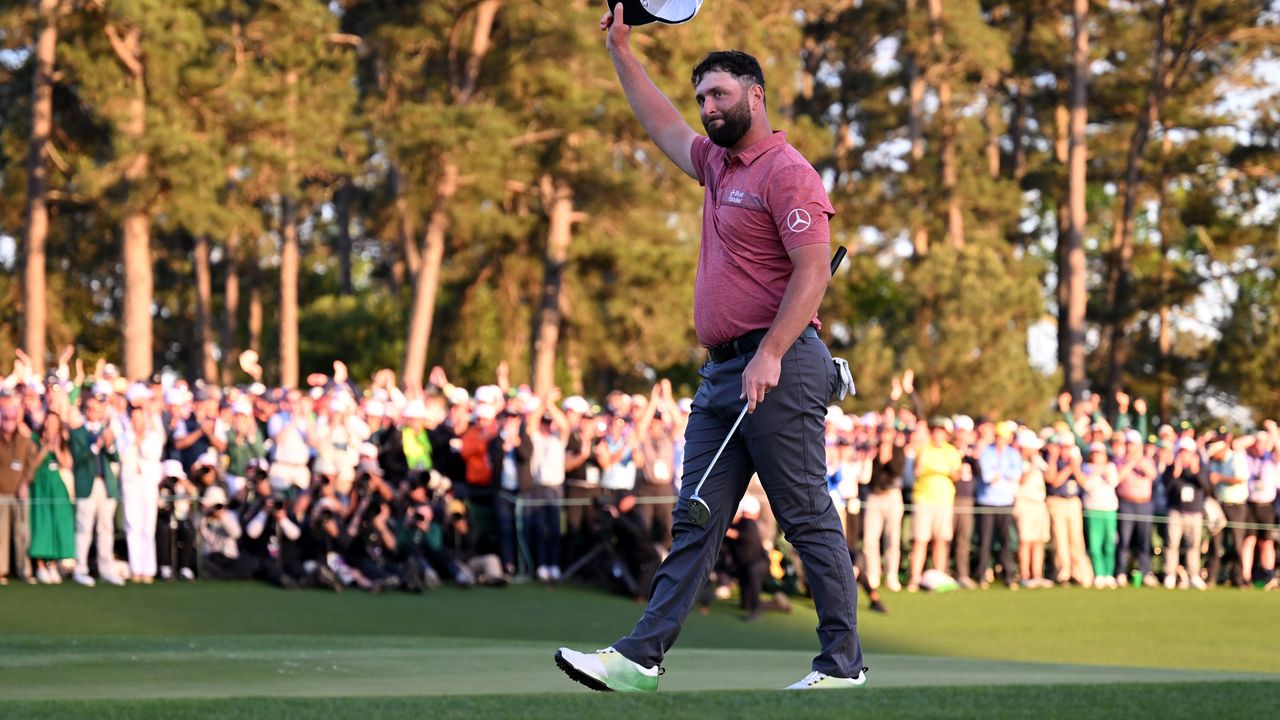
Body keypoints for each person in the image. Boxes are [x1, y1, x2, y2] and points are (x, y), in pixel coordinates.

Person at [557, 14, 865, 693]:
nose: (707, 108)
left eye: (719, 94)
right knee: (694, 515)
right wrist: (620, 49)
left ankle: (842, 666)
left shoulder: (788, 172)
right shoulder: (715, 164)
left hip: (778, 367)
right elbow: (659, 121)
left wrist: (772, 352)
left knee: (805, 515)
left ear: (755, 94)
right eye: (702, 98)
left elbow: (812, 272)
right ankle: (641, 659)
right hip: (725, 370)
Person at [68, 393, 125, 586]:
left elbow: (115, 457)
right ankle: (80, 568)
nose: (94, 412)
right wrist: (98, 444)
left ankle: (106, 568)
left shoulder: (107, 431)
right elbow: (79, 458)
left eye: (97, 409)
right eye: (90, 408)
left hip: (106, 484)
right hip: (87, 484)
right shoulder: (78, 433)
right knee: (84, 527)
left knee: (106, 528)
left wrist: (108, 444)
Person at [906, 417, 961, 592]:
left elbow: (957, 475)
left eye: (941, 431)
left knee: (941, 540)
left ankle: (939, 577)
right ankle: (915, 578)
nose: (938, 434)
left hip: (944, 500)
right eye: (935, 430)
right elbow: (917, 471)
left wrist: (947, 471)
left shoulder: (951, 451)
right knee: (920, 540)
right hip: (924, 499)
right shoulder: (924, 449)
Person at [27, 412, 76, 584]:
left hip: (57, 486)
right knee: (41, 524)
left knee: (57, 523)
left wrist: (56, 448)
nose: (51, 425)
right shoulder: (35, 439)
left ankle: (53, 564)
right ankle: (40, 565)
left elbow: (67, 464)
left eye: (55, 422)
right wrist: (46, 447)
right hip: (41, 485)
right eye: (49, 421)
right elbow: (32, 463)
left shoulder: (62, 442)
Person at [976, 421, 1021, 589]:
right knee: (985, 541)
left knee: (1005, 541)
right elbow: (987, 476)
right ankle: (981, 575)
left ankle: (1008, 576)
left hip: (1005, 502)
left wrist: (999, 473)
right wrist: (1002, 474)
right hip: (987, 501)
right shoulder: (986, 452)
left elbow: (1015, 474)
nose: (1001, 440)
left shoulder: (1013, 454)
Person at [1163, 437, 1210, 589]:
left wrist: (1195, 472)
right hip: (1176, 511)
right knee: (1172, 544)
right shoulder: (1172, 469)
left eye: (1187, 452)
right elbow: (1167, 488)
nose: (1184, 455)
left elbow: (1206, 487)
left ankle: (1194, 575)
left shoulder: (1200, 468)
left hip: (1194, 513)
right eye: (1181, 452)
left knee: (1194, 546)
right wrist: (1175, 472)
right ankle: (1170, 575)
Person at [0, 399, 38, 584]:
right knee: (1, 533)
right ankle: (1, 571)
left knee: (22, 533)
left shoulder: (24, 440)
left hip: (19, 493)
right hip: (1, 493)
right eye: (5, 417)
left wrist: (25, 482)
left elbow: (30, 466)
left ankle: (24, 569)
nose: (8, 420)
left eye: (12, 417)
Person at [1012, 429, 1051, 588]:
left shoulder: (1038, 461)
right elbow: (1020, 481)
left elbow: (1050, 476)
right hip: (1025, 504)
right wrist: (1031, 467)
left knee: (1039, 541)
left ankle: (1037, 575)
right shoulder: (1017, 461)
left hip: (1039, 504)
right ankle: (1025, 575)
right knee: (1026, 541)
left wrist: (1039, 463)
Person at [1080, 442, 1120, 588]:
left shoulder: (1111, 467)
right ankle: (1099, 574)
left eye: (1100, 453)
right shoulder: (1086, 468)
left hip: (1109, 509)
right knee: (1095, 544)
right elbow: (1087, 485)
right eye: (1095, 453)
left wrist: (1104, 472)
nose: (1097, 456)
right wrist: (1096, 472)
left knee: (1109, 542)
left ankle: (1109, 574)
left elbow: (1114, 482)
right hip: (1093, 509)